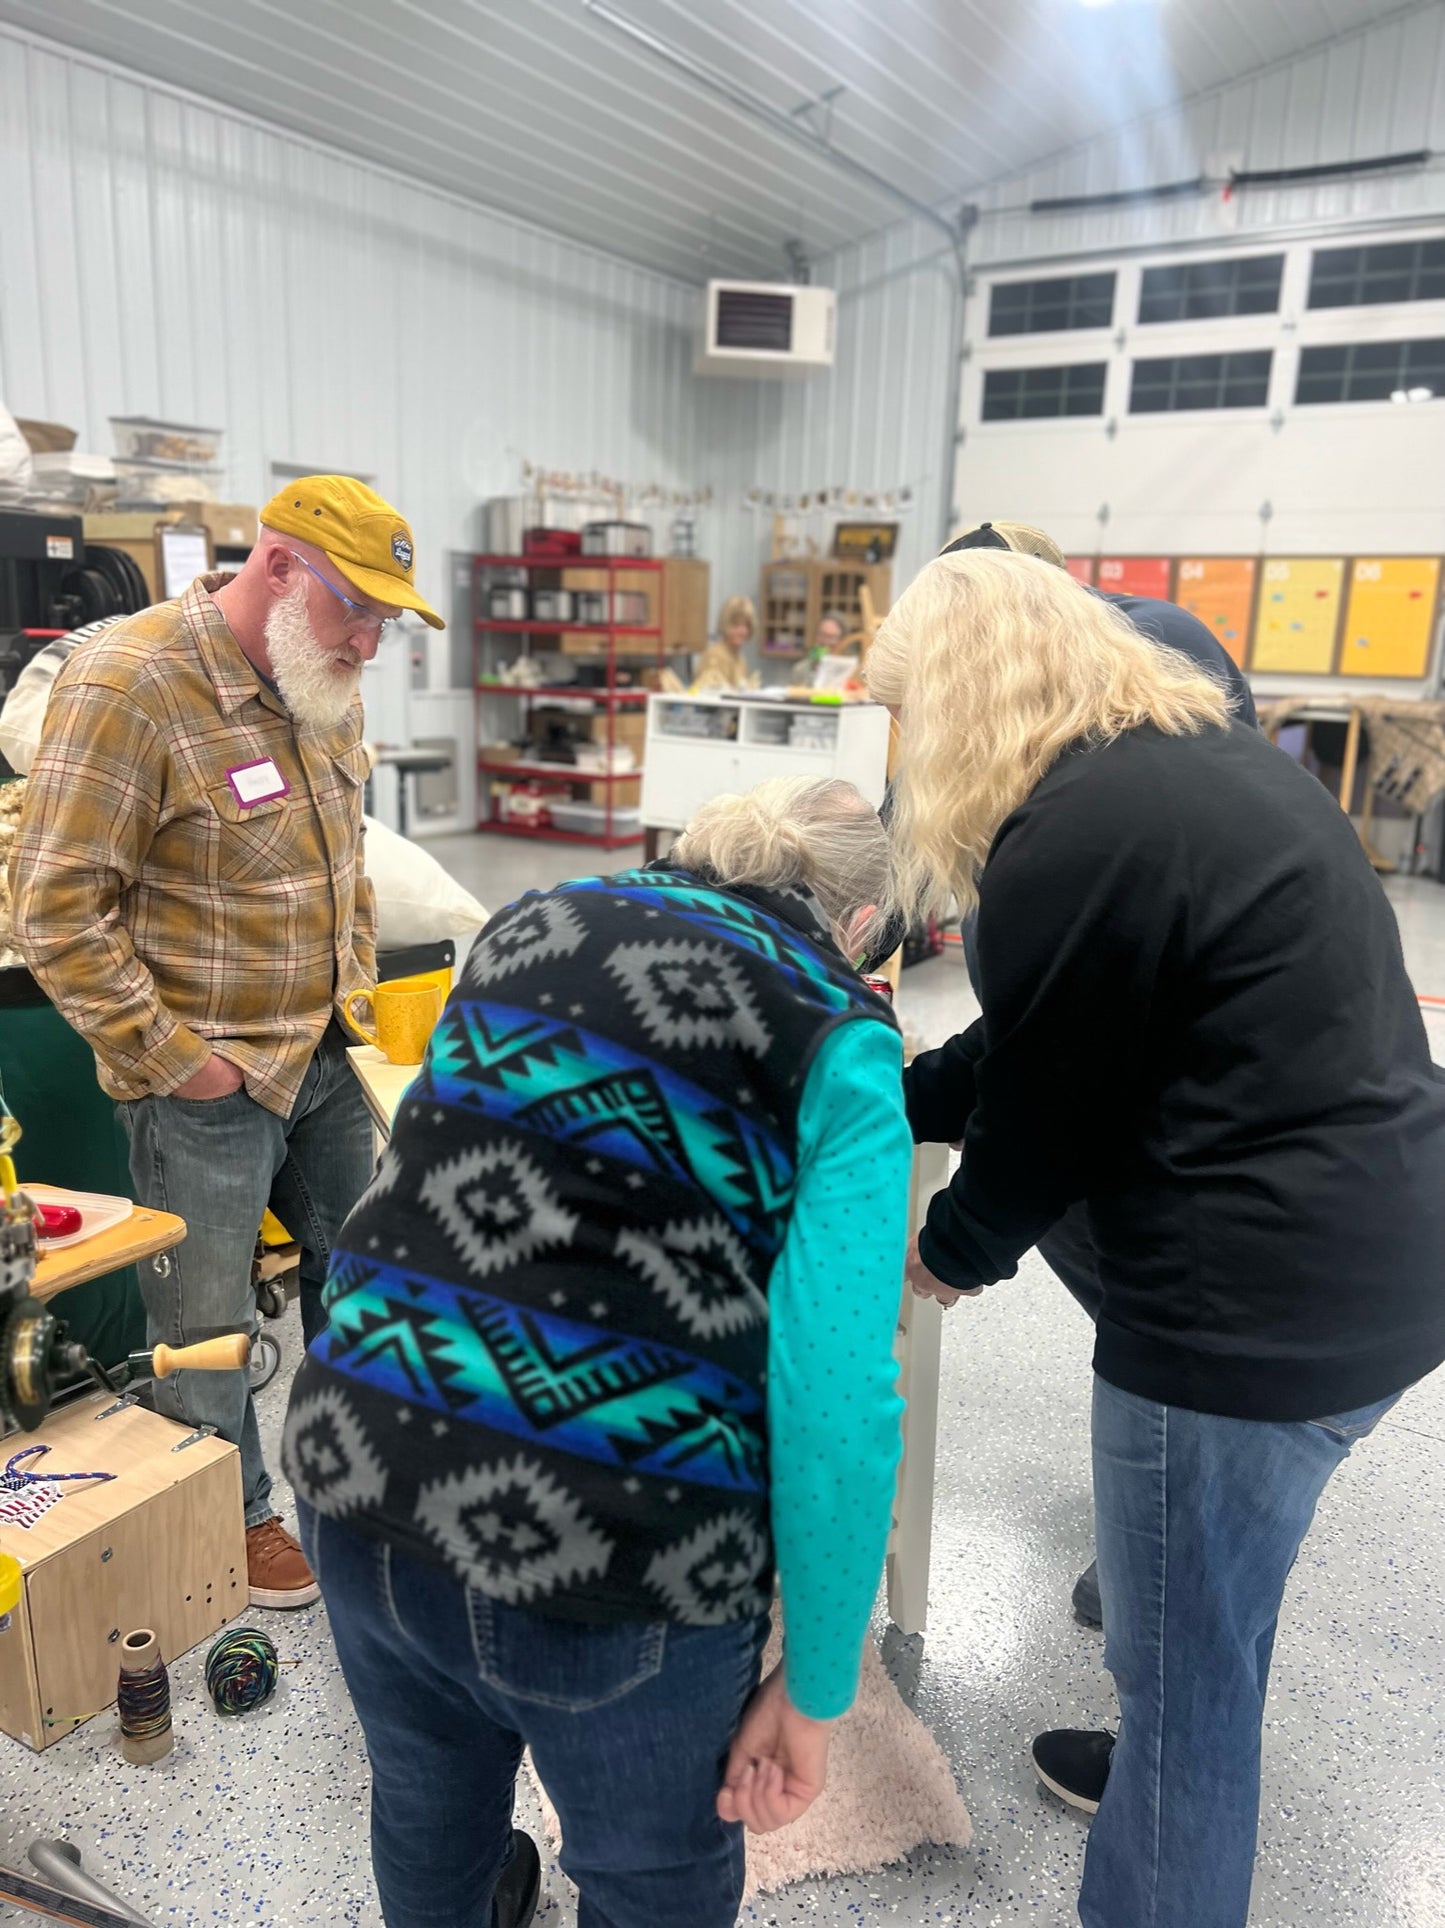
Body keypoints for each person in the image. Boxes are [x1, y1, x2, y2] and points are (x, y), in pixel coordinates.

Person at [868, 549, 1445, 1928]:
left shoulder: (1067, 835)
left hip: (1247, 1315)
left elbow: (1051, 1118)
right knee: (1202, 1620)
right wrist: (895, 1096)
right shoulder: (1186, 771)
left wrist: (935, 1258)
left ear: (962, 697)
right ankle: (1163, 1708)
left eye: (905, 713)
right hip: (1380, 1262)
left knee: (1188, 1690)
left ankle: (1164, 1809)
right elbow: (1064, 1023)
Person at [282, 775, 913, 1928]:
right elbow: (836, 1394)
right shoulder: (835, 1030)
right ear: (859, 921)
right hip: (617, 1536)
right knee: (647, 1879)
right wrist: (816, 1691)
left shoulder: (534, 919)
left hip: (358, 1455)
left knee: (425, 1811)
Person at [10, 475, 445, 1609]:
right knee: (201, 1322)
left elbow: (344, 860)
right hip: (201, 1083)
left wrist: (352, 994)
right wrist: (180, 1062)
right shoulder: (134, 682)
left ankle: (356, 1487)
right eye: (359, 607)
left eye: (387, 619)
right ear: (279, 564)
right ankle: (234, 1512)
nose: (370, 639)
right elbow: (56, 908)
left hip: (324, 1059)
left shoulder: (326, 683)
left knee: (362, 1283)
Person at [938, 517, 1258, 1627]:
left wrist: (956, 1246)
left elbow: (1064, 1075)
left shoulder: (1128, 725)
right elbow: (1052, 1015)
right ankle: (1155, 1529)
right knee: (1130, 1305)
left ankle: (1160, 1554)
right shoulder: (1042, 746)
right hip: (1094, 1038)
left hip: (1198, 1125)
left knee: (1168, 1329)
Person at [693, 593, 758, 690]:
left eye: (746, 625)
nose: (742, 631)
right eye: (736, 625)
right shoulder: (715, 655)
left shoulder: (740, 658)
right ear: (725, 624)